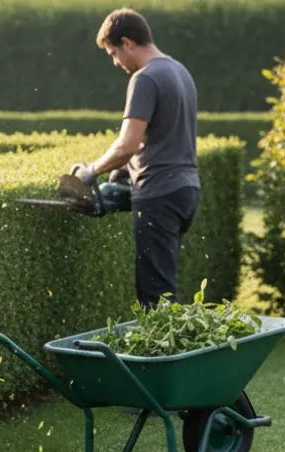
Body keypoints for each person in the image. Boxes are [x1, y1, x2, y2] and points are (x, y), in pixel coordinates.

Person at [71, 8, 202, 310]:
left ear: (128, 43)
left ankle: (166, 357)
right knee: (164, 285)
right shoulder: (179, 71)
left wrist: (91, 171)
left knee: (154, 296)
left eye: (114, 53)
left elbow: (127, 144)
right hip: (185, 191)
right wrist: (121, 177)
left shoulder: (145, 78)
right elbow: (158, 138)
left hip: (159, 194)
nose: (116, 62)